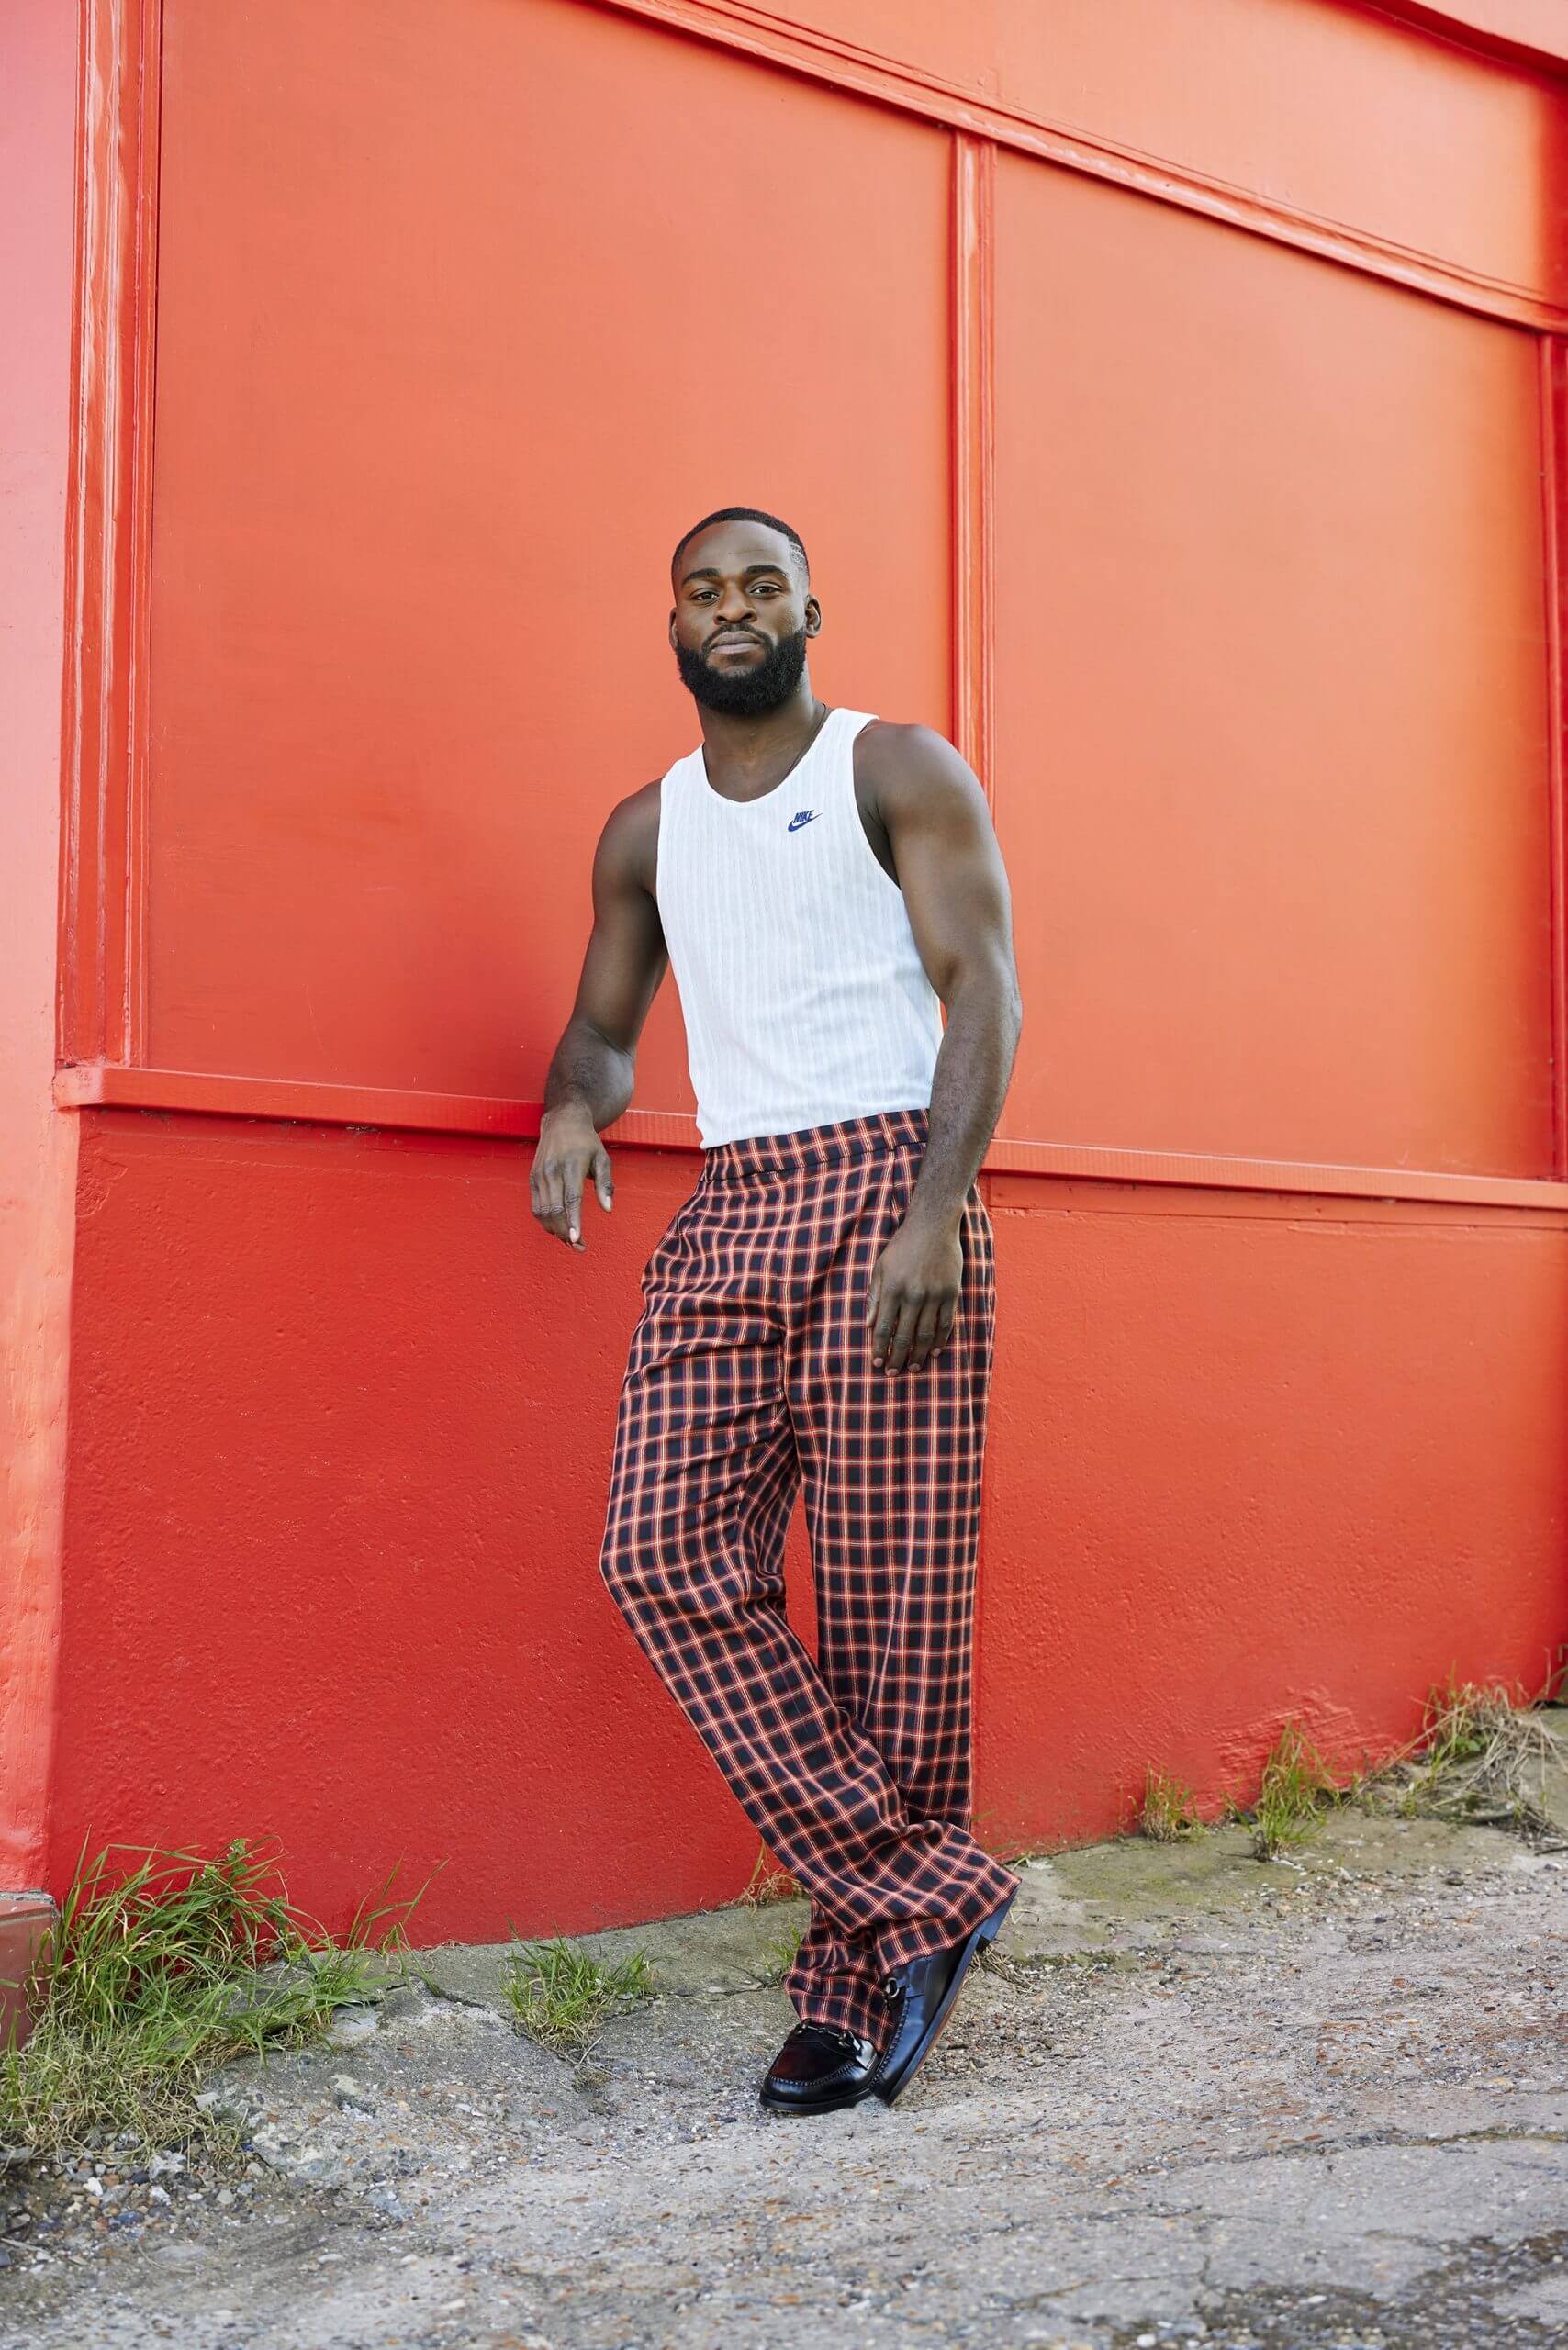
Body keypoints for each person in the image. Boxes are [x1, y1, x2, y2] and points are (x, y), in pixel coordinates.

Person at [530, 505, 1024, 2114]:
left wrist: (939, 1212)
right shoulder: (644, 829)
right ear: (671, 624)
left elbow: (985, 989)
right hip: (733, 1203)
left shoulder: (896, 769)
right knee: (657, 1549)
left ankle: (845, 1985)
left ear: (813, 607)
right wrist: (570, 1109)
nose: (731, 609)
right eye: (702, 590)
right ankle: (929, 1896)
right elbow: (607, 1025)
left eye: (761, 586)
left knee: (890, 1623)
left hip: (892, 1181)